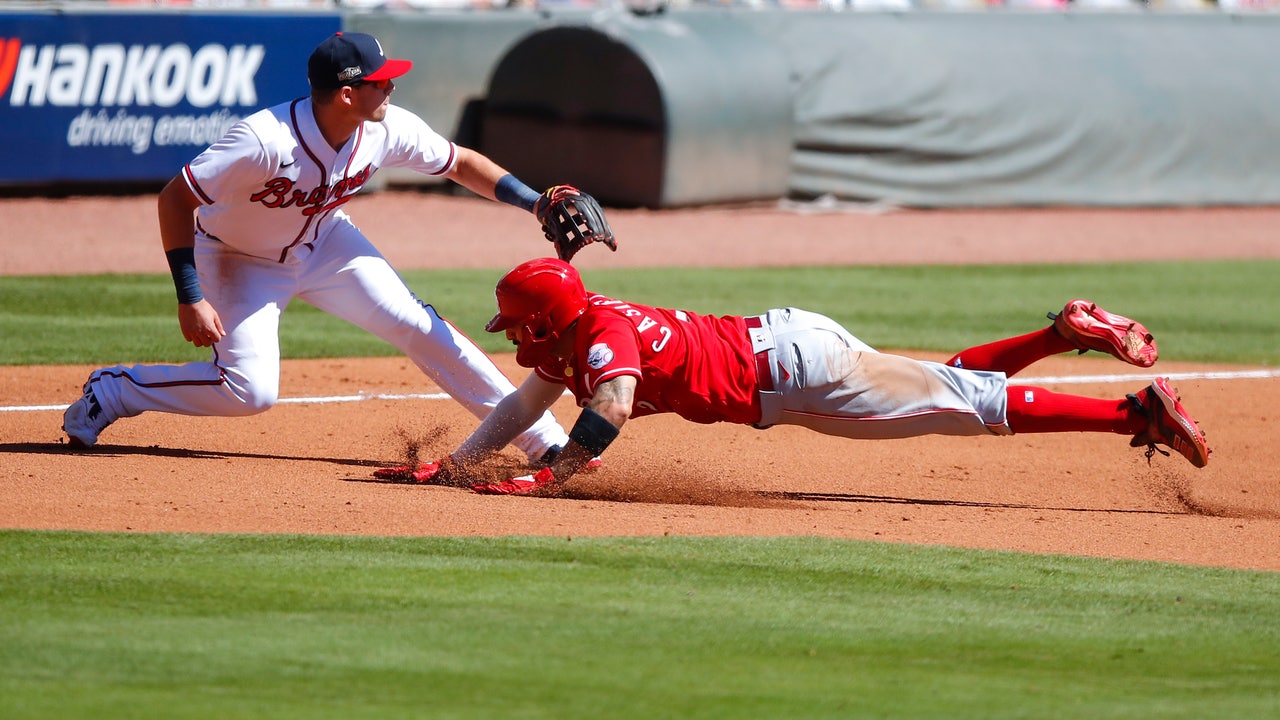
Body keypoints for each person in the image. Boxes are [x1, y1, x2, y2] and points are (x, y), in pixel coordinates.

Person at [61, 32, 608, 466]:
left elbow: (460, 162)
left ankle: (541, 441)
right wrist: (190, 294)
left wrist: (535, 203)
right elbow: (175, 199)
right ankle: (118, 390)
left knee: (417, 324)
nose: (391, 89)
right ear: (347, 92)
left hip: (326, 242)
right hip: (236, 258)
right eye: (381, 82)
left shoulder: (384, 127)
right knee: (249, 392)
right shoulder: (262, 141)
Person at [375, 258, 1210, 494]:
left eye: (516, 321)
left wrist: (557, 475)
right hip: (785, 348)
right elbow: (524, 404)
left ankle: (1135, 411)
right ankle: (1061, 333)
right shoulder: (572, 341)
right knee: (941, 385)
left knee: (966, 407)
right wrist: (458, 465)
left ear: (543, 317)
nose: (511, 335)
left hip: (794, 378)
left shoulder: (599, 335)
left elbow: (616, 406)